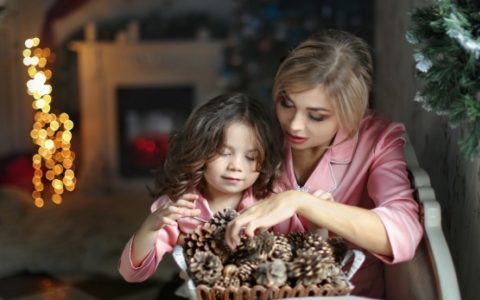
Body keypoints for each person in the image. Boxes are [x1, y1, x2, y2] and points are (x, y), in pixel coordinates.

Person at [225, 29, 424, 298]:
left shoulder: (377, 140)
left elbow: (403, 232)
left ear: (350, 113)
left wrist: (301, 202)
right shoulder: (259, 134)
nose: (294, 124)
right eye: (286, 103)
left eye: (316, 116)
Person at [118, 93, 303, 283]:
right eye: (224, 153)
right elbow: (131, 274)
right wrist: (150, 227)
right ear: (200, 149)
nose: (236, 166)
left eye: (250, 157)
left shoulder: (273, 199)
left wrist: (318, 225)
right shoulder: (179, 205)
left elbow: (305, 259)